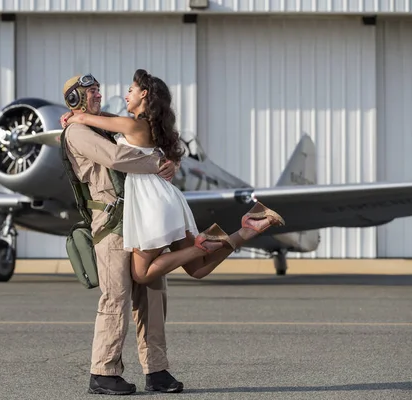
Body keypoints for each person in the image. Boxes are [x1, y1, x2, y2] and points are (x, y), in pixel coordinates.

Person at [61, 69, 285, 286]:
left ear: (144, 94)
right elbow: (104, 118)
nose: (126, 96)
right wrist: (79, 116)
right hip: (168, 198)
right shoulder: (148, 125)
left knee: (141, 274)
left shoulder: (131, 125)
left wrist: (74, 116)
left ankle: (206, 243)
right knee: (198, 268)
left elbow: (93, 120)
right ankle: (249, 227)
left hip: (151, 202)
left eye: (131, 90)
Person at [60, 73, 186, 395]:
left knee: (153, 295)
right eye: (90, 91)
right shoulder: (77, 131)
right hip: (112, 223)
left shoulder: (106, 125)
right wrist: (156, 160)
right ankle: (103, 371)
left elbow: (142, 144)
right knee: (116, 296)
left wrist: (169, 162)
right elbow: (116, 158)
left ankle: (157, 371)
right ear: (74, 99)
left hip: (140, 218)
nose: (98, 94)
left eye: (99, 89)